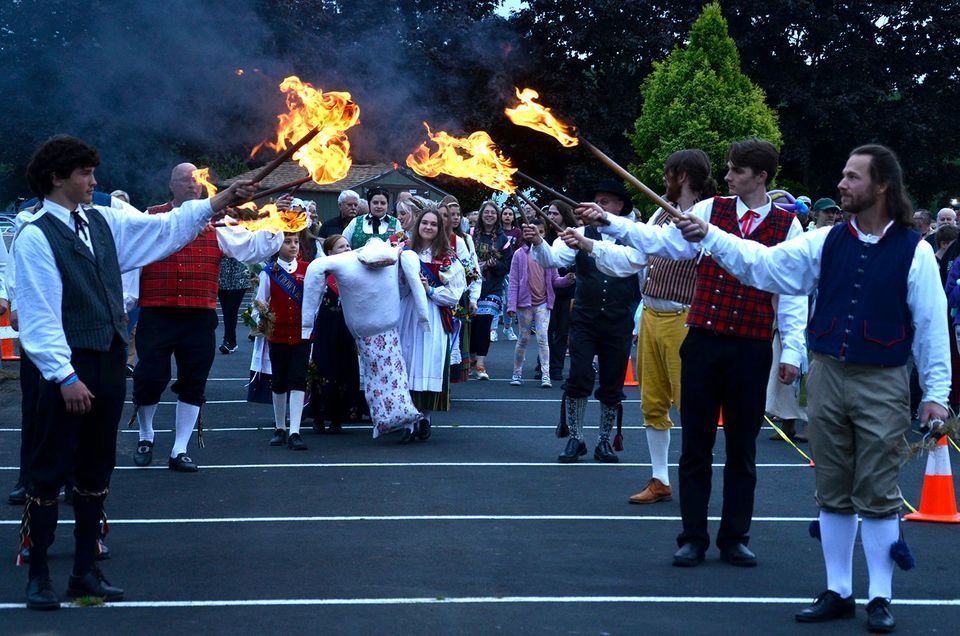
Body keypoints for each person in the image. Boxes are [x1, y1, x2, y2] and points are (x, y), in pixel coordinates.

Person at [677, 144, 948, 633]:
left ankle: (880, 597)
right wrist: (712, 236)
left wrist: (935, 393)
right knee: (832, 487)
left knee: (879, 491)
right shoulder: (824, 241)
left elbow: (931, 329)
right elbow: (764, 265)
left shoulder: (917, 250)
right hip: (827, 374)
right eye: (843, 174)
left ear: (882, 186)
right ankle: (839, 590)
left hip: (883, 380)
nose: (841, 184)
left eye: (852, 176)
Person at [14, 135, 258, 610]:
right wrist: (64, 377)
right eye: (85, 173)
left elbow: (163, 229)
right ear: (56, 178)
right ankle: (39, 575)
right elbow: (39, 316)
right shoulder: (35, 234)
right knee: (47, 473)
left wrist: (221, 200)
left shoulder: (102, 220)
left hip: (105, 361)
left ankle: (85, 571)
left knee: (95, 468)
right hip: (66, 366)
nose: (94, 180)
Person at [576, 140, 806, 566]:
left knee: (742, 448)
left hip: (752, 346)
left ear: (761, 177)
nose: (729, 176)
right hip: (702, 339)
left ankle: (735, 536)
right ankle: (693, 537)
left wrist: (793, 348)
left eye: (737, 171)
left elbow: (792, 291)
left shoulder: (788, 225)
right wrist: (609, 220)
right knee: (696, 445)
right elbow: (660, 242)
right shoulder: (707, 211)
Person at [582, 150, 716, 504]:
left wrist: (610, 223)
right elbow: (633, 259)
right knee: (653, 404)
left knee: (692, 405)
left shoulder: (707, 215)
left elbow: (667, 245)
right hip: (652, 318)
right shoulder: (660, 213)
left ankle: (697, 479)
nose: (664, 181)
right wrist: (589, 244)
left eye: (668, 174)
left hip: (685, 320)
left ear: (683, 176)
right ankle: (660, 479)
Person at [132, 163, 283, 472]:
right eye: (185, 181)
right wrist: (125, 307)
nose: (193, 186)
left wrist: (274, 220)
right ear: (171, 185)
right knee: (149, 378)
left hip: (198, 317)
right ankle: (146, 435)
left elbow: (254, 248)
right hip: (156, 313)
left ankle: (179, 448)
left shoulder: (220, 225)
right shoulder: (149, 218)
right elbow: (131, 263)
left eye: (197, 181)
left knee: (193, 381)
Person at [526, 178, 643, 464]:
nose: (598, 206)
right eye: (597, 201)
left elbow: (643, 283)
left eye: (605, 202)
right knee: (578, 375)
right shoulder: (578, 233)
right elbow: (551, 259)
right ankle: (576, 438)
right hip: (585, 319)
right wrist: (539, 242)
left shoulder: (635, 237)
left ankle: (605, 441)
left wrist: (638, 322)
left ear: (619, 206)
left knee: (613, 380)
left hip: (619, 320)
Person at [303, 236, 430, 441]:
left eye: (347, 245)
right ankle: (391, 418)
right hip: (352, 329)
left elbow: (316, 268)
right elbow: (316, 270)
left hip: (369, 331)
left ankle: (394, 418)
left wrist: (305, 325)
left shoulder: (349, 262)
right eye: (340, 246)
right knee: (384, 375)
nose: (346, 248)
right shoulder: (348, 263)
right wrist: (307, 324)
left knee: (380, 375)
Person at [399, 205, 467, 438]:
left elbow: (455, 294)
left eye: (433, 224)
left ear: (440, 229)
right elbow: (395, 289)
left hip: (434, 315)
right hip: (408, 314)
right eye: (424, 223)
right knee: (407, 362)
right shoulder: (404, 251)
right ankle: (408, 421)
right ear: (418, 226)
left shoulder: (447, 258)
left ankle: (425, 417)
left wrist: (430, 290)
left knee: (428, 362)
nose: (428, 227)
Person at [255, 233, 311, 450]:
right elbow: (261, 302)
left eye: (296, 242)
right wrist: (261, 324)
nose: (293, 246)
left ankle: (295, 431)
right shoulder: (269, 272)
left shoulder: (308, 269)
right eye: (288, 242)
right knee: (278, 380)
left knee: (298, 379)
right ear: (278, 246)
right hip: (277, 334)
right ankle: (280, 427)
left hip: (302, 334)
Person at [507, 217, 572, 387]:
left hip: (543, 303)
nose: (537, 235)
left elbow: (555, 280)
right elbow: (513, 282)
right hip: (524, 304)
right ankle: (517, 373)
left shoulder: (548, 253)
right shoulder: (519, 255)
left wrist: (566, 280)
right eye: (533, 231)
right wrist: (511, 305)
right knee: (523, 338)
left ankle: (546, 375)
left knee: (543, 338)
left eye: (541, 232)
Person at [439, 195, 481, 383]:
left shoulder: (460, 241)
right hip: (428, 297)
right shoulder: (423, 237)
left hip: (453, 300)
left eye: (451, 215)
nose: (448, 219)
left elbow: (471, 271)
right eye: (444, 215)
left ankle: (445, 385)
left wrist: (473, 298)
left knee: (450, 342)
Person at [469, 201, 512, 379]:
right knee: (472, 324)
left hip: (492, 286)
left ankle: (480, 363)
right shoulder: (471, 235)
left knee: (485, 324)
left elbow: (507, 265)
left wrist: (493, 265)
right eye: (486, 212)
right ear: (481, 215)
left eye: (493, 213)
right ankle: (471, 358)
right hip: (472, 286)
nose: (489, 215)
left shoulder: (503, 239)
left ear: (497, 216)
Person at [542, 201, 578, 381]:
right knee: (546, 330)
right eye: (549, 213)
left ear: (564, 214)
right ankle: (544, 366)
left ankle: (556, 367)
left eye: (555, 213)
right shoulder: (546, 237)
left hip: (567, 291)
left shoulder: (575, 235)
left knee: (562, 330)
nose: (551, 217)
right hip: (546, 290)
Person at [218, 256, 250, 354]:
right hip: (222, 276)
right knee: (226, 311)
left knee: (231, 309)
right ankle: (230, 340)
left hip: (239, 276)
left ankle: (229, 341)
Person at [498, 205, 522, 341]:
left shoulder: (517, 232)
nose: (507, 216)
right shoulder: (498, 231)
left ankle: (508, 327)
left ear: (513, 217)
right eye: (505, 214)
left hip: (512, 269)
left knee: (508, 299)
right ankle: (493, 329)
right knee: (495, 299)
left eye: (510, 214)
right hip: (498, 267)